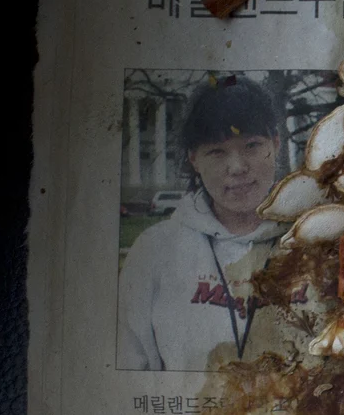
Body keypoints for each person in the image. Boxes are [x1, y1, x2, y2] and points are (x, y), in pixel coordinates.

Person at [117, 79, 295, 372]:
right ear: (193, 159)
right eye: (217, 152)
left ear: (275, 145)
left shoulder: (315, 243)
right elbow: (129, 368)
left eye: (252, 145)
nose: (237, 167)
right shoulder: (154, 251)